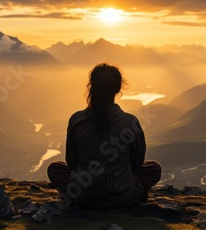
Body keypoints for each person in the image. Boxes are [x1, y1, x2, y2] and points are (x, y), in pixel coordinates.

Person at [47, 63, 162, 209]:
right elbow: (137, 164)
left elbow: (71, 162)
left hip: (82, 196)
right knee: (153, 168)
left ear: (91, 86)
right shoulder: (130, 122)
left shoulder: (77, 120)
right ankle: (134, 196)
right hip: (123, 197)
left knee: (55, 168)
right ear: (118, 89)